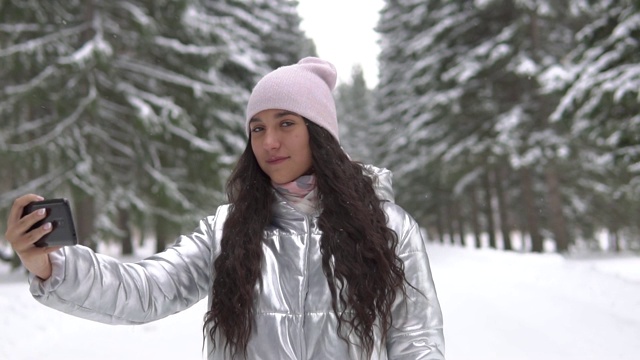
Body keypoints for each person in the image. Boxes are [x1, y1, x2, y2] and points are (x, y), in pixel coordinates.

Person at [5, 57, 445, 359]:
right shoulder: (228, 229)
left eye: (286, 124)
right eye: (257, 128)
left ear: (320, 133)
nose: (269, 142)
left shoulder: (387, 226)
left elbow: (417, 341)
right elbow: (147, 289)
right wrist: (51, 265)